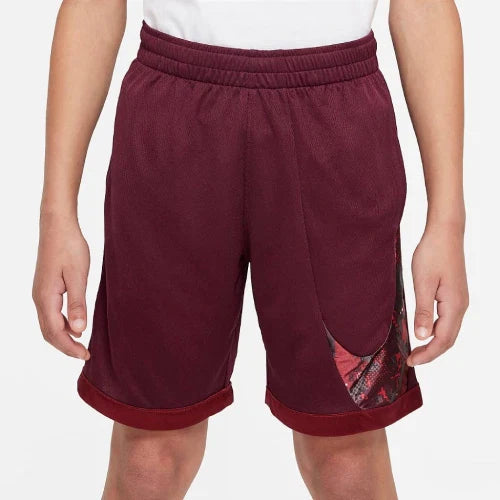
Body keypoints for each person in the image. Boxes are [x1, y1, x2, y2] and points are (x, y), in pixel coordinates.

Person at [32, 0, 469, 498]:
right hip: (174, 119)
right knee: (149, 458)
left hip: (335, 128)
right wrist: (56, 216)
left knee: (348, 458)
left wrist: (447, 223)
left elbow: (424, 7)